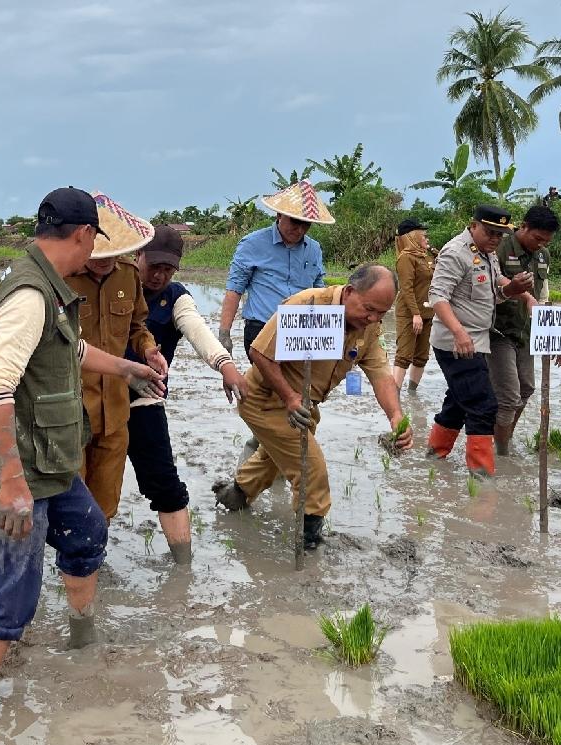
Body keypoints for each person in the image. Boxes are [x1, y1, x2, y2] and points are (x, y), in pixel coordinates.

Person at [0, 187, 165, 714]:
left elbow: (70, 347)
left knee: (88, 531)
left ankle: (81, 638)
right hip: (23, 473)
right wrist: (11, 482)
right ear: (84, 235)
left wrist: (128, 368)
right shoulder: (28, 295)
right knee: (10, 595)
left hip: (51, 464)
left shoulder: (48, 287)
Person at [212, 265, 412, 547]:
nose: (374, 318)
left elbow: (380, 374)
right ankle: (309, 543)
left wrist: (395, 416)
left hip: (304, 405)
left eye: (382, 313)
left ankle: (233, 497)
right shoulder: (309, 305)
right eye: (369, 309)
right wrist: (290, 398)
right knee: (310, 469)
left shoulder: (367, 327)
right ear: (350, 291)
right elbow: (259, 352)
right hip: (266, 400)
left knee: (273, 460)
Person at [126, 226, 250, 564]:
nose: (159, 275)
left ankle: (184, 565)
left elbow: (196, 329)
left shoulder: (176, 296)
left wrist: (224, 364)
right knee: (90, 483)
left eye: (168, 269)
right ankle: (89, 563)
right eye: (153, 266)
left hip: (145, 397)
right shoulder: (116, 285)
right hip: (96, 397)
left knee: (164, 482)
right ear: (137, 257)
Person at [64, 193, 168, 521]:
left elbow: (137, 324)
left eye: (115, 254)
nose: (106, 261)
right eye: (98, 254)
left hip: (115, 410)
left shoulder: (127, 274)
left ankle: (96, 560)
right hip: (71, 412)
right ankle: (71, 565)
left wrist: (148, 348)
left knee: (106, 501)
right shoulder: (59, 277)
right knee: (70, 501)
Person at [426, 205, 533, 476]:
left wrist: (516, 289)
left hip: (477, 341)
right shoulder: (455, 253)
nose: (495, 239)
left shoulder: (486, 253)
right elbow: (438, 296)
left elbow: (496, 290)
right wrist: (459, 333)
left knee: (459, 400)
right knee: (484, 406)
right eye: (490, 232)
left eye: (500, 234)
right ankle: (481, 476)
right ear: (473, 225)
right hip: (457, 344)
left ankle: (434, 454)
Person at [218, 180, 335, 358]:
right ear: (279, 215)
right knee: (269, 384)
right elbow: (234, 290)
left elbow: (319, 292)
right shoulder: (252, 244)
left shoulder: (314, 249)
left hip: (300, 329)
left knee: (299, 385)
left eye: (306, 224)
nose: (300, 230)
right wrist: (224, 334)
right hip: (262, 329)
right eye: (295, 222)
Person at [490, 205, 561, 456]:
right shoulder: (500, 248)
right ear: (523, 227)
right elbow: (489, 287)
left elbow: (543, 298)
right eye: (537, 238)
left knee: (527, 388)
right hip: (497, 332)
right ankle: (501, 455)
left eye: (546, 241)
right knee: (509, 396)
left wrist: (556, 341)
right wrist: (521, 295)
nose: (541, 244)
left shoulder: (543, 257)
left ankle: (502, 436)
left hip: (525, 332)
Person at [392, 219, 436, 392]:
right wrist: (415, 314)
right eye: (423, 235)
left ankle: (412, 393)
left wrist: (433, 251)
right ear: (413, 236)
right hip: (409, 313)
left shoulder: (426, 256)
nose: (426, 238)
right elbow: (406, 288)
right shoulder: (406, 258)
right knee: (404, 355)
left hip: (427, 312)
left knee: (422, 356)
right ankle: (394, 395)